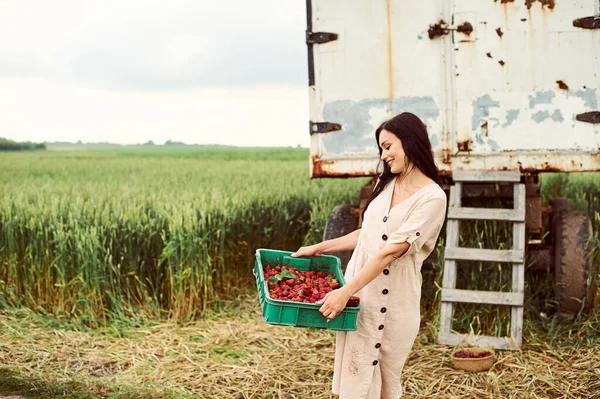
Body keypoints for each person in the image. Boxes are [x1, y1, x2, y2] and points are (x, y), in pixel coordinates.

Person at [291, 112, 447, 398]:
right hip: (361, 301)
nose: (384, 155)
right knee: (355, 382)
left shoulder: (432, 197)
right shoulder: (385, 183)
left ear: (411, 142)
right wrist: (319, 247)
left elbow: (389, 253)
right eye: (381, 149)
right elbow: (367, 235)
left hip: (394, 305)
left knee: (383, 386)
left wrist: (344, 291)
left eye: (388, 146)